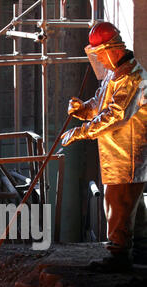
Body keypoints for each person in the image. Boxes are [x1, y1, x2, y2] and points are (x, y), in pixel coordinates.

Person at [61, 21, 147, 272]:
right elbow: (100, 106)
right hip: (116, 156)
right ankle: (140, 252)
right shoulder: (114, 75)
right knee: (131, 208)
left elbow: (115, 115)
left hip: (128, 156)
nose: (99, 59)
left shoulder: (133, 78)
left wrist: (81, 132)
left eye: (100, 54)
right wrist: (83, 109)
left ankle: (118, 256)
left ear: (113, 50)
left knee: (118, 205)